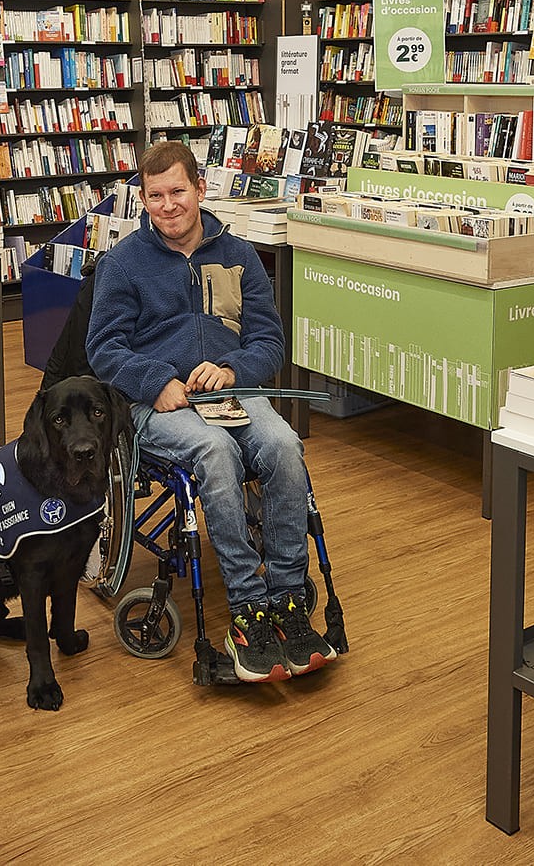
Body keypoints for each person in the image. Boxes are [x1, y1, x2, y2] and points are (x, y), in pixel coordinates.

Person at [86, 141, 337, 682]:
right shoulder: (122, 263)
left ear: (200, 189)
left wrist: (231, 369)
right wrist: (156, 382)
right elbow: (103, 348)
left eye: (178, 191)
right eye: (155, 195)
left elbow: (271, 342)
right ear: (143, 200)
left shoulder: (239, 255)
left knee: (284, 446)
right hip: (163, 403)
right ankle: (248, 608)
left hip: (233, 392)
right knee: (217, 453)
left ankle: (290, 598)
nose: (167, 205)